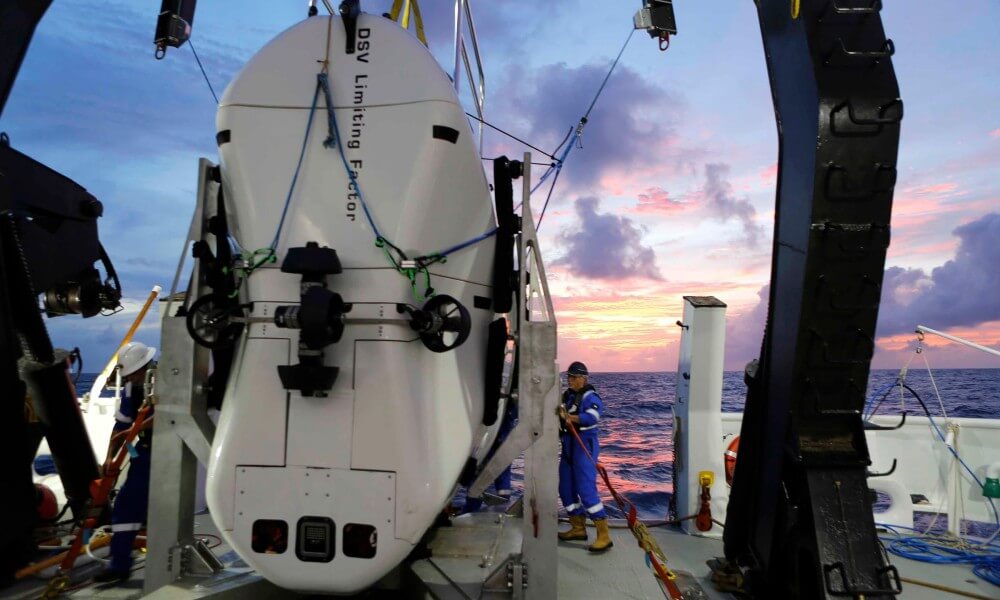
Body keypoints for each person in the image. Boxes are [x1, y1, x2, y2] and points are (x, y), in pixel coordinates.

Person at [93, 341, 157, 584]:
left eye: (132, 374)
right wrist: (110, 457)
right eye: (127, 375)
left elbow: (170, 415)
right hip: (142, 449)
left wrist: (133, 429)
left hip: (169, 450)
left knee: (165, 508)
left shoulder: (165, 383)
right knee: (126, 504)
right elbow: (121, 426)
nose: (129, 378)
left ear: (144, 368)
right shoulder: (130, 390)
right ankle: (119, 565)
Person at [556, 361, 612, 552]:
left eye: (572, 377)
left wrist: (570, 418)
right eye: (568, 377)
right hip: (568, 448)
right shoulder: (567, 396)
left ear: (583, 378)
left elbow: (593, 417)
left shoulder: (590, 396)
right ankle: (578, 527)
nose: (569, 380)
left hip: (584, 447)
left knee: (586, 489)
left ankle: (604, 535)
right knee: (565, 488)